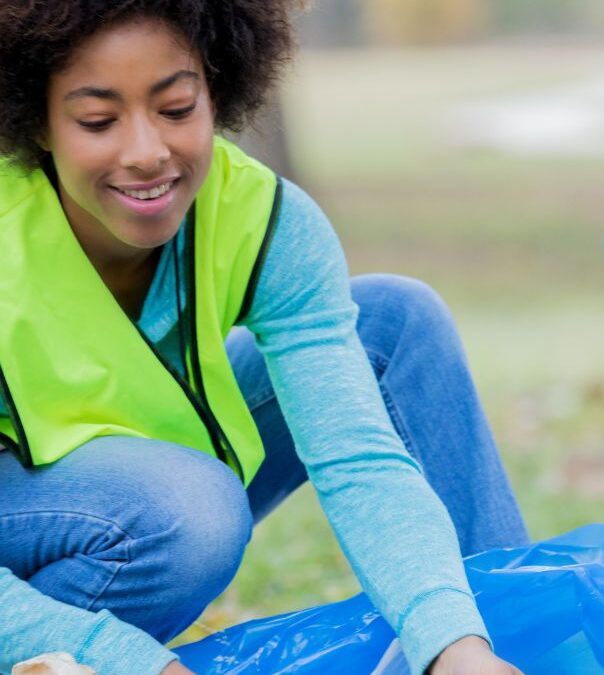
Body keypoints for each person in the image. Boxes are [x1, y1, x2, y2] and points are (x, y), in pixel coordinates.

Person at [0, 2, 528, 674]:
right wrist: (129, 661)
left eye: (177, 107)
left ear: (217, 91)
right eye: (98, 120)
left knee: (395, 323)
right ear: (37, 121)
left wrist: (452, 642)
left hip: (151, 477)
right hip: (60, 520)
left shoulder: (265, 222)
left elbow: (357, 457)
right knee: (191, 512)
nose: (146, 152)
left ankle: (507, 644)